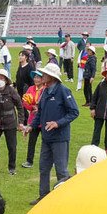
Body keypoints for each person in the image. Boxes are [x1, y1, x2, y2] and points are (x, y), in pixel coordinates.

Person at [23, 62, 78, 202]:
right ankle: (43, 197)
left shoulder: (63, 91)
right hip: (46, 138)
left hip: (60, 138)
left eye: (45, 74)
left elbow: (74, 112)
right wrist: (30, 127)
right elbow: (40, 113)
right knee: (43, 168)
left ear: (52, 77)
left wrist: (57, 123)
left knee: (61, 170)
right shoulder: (45, 91)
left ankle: (63, 200)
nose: (42, 76)